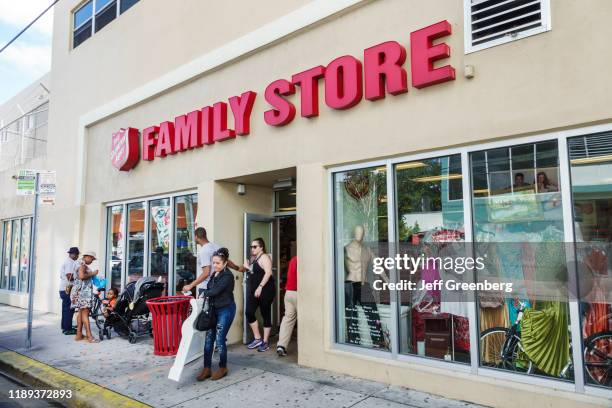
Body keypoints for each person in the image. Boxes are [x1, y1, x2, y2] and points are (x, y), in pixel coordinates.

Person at [197, 247, 237, 381]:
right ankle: (207, 368)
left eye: (218, 263)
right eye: (213, 263)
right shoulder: (215, 274)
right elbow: (210, 289)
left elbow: (215, 291)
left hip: (226, 309)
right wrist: (203, 292)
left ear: (225, 263)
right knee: (209, 339)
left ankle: (222, 367)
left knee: (219, 340)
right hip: (214, 310)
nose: (215, 265)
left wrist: (202, 293)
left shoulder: (228, 276)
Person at [183, 227, 241, 295]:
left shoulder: (204, 251)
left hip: (205, 288)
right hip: (215, 286)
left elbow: (206, 273)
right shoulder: (216, 246)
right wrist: (238, 268)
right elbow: (226, 261)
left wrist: (191, 285)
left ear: (196, 237)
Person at [242, 238, 275, 352]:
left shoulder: (264, 257)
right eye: (251, 247)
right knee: (249, 312)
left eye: (255, 246)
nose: (252, 248)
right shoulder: (254, 258)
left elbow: (268, 272)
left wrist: (260, 287)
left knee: (265, 313)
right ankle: (257, 338)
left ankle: (265, 342)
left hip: (266, 290)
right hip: (255, 290)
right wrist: (247, 267)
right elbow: (254, 272)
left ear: (261, 247)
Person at [70, 250, 99, 343]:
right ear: (87, 257)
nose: (92, 261)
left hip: (79, 293)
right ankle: (90, 336)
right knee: (85, 314)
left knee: (81, 313)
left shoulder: (78, 263)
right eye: (92, 259)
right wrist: (93, 273)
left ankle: (78, 335)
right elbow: (82, 276)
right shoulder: (82, 264)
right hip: (83, 294)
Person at [277, 255, 297, 357]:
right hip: (299, 293)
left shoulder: (293, 259)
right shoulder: (305, 260)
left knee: (288, 319)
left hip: (288, 292)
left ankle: (281, 345)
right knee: (306, 319)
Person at [60, 247, 79, 335]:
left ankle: (65, 327)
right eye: (77, 254)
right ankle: (68, 329)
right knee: (69, 309)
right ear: (72, 254)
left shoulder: (68, 261)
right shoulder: (70, 263)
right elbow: (69, 277)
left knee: (65, 309)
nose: (77, 256)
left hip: (63, 289)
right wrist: (79, 277)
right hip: (68, 289)